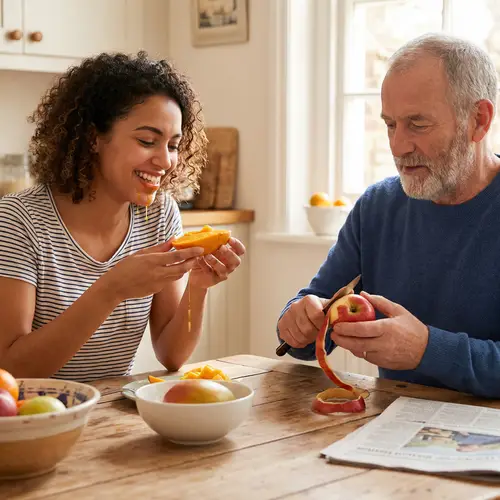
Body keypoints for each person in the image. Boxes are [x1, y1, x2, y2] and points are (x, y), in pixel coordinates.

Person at [277, 33, 500, 399]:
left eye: (418, 124)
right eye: (390, 124)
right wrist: (297, 320)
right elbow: (314, 314)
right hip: (389, 429)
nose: (398, 146)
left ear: (479, 120)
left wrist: (428, 349)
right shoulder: (377, 207)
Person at [0, 51, 245, 382]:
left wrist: (198, 286)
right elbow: (10, 368)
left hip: (112, 414)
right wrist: (110, 289)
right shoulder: (19, 219)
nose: (166, 161)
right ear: (94, 138)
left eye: (173, 145)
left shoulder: (158, 214)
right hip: (35, 418)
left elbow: (172, 355)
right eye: (147, 141)